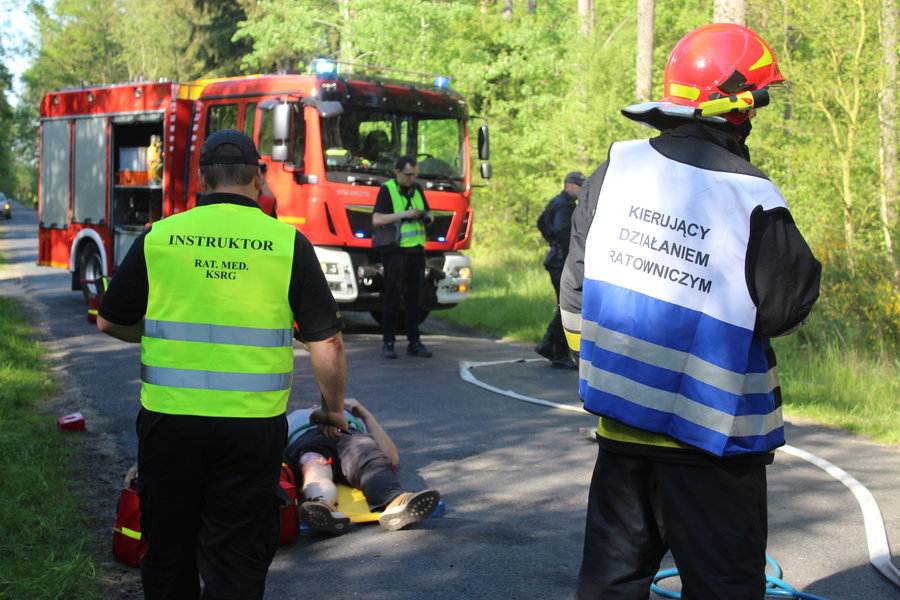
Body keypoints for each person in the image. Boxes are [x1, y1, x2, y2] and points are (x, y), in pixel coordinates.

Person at [559, 24, 822, 600]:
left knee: (610, 584)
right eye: (758, 99)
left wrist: (605, 376)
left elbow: (574, 295)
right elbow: (786, 305)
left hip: (622, 432)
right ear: (738, 106)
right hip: (714, 443)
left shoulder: (614, 172)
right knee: (723, 586)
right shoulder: (750, 195)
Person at [97, 129, 349, 600]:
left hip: (169, 423)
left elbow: (111, 322)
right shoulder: (286, 243)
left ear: (202, 177)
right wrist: (332, 408)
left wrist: (158, 332)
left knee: (168, 549)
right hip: (250, 429)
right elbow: (328, 341)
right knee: (237, 555)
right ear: (259, 174)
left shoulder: (160, 237)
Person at [285, 397, 441, 534]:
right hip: (309, 440)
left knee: (370, 459)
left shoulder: (351, 417)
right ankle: (322, 506)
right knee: (313, 465)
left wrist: (364, 414)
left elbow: (391, 456)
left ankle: (396, 500)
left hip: (349, 437)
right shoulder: (293, 417)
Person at [372, 155, 434, 359]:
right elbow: (377, 219)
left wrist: (427, 216)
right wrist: (405, 214)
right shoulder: (387, 190)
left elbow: (430, 213)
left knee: (415, 300)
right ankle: (388, 342)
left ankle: (414, 342)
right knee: (392, 298)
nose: (411, 178)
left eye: (414, 174)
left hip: (416, 251)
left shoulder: (417, 189)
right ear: (398, 171)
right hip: (395, 252)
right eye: (408, 175)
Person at [535, 170, 585, 369]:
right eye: (579, 186)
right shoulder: (565, 205)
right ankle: (555, 350)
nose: (581, 190)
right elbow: (561, 230)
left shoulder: (557, 202)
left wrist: (552, 242)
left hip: (555, 259)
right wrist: (571, 249)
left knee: (563, 306)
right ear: (569, 186)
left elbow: (541, 222)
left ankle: (550, 346)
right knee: (568, 307)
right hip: (561, 262)